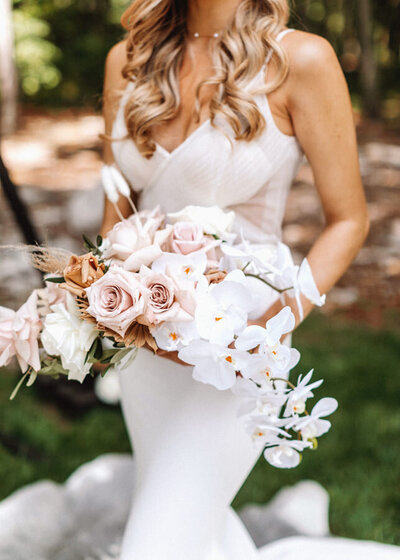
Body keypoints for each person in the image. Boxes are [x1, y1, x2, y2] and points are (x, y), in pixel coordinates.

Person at [100, 1, 398, 558]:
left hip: (236, 345)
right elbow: (114, 219)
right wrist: (96, 310)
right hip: (142, 350)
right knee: (190, 525)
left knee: (156, 546)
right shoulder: (129, 56)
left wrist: (269, 326)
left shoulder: (302, 59)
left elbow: (350, 219)